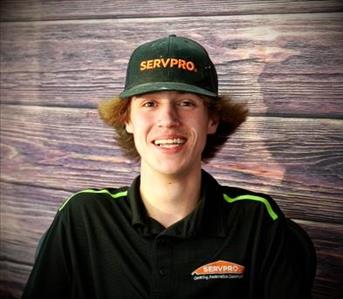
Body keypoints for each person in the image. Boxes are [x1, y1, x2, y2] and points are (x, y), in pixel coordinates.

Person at [22, 35, 316, 299]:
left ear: (212, 120)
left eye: (186, 103)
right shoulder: (83, 217)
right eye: (149, 104)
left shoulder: (258, 221)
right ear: (127, 120)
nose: (168, 120)